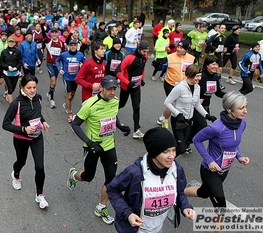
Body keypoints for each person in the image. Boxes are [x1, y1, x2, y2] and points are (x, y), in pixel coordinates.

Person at [67, 75, 131, 225]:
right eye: (109, 89)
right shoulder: (90, 104)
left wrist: (121, 126)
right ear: (101, 88)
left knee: (111, 179)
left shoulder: (115, 101)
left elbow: (113, 116)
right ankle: (73, 176)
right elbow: (75, 124)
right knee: (88, 176)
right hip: (93, 147)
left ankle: (101, 207)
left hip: (109, 145)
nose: (113, 92)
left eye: (115, 89)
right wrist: (89, 143)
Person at [107, 127, 195, 233]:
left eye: (174, 150)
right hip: (134, 229)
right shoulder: (135, 172)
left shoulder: (177, 169)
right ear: (154, 152)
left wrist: (185, 206)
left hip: (157, 229)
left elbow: (180, 192)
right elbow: (112, 189)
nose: (172, 156)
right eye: (166, 152)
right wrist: (128, 214)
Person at [185, 92, 249, 215]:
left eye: (246, 107)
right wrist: (210, 161)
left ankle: (177, 195)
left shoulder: (242, 124)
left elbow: (234, 144)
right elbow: (196, 140)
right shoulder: (216, 128)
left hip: (224, 169)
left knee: (203, 193)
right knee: (220, 206)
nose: (245, 111)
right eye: (241, 108)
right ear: (229, 109)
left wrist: (240, 156)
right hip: (210, 171)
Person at [2, 75, 50, 209]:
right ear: (22, 87)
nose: (32, 90)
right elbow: (5, 124)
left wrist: (43, 121)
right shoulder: (16, 103)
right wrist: (23, 129)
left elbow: (37, 114)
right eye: (29, 88)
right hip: (21, 139)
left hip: (37, 137)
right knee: (21, 162)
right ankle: (16, 175)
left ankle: (40, 195)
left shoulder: (38, 98)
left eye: (34, 87)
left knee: (39, 166)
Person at [164, 64, 216, 155]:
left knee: (180, 145)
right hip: (178, 121)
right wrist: (178, 114)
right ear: (190, 74)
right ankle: (162, 162)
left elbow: (196, 104)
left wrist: (206, 115)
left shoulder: (197, 87)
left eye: (200, 76)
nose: (199, 78)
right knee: (181, 149)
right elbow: (167, 102)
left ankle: (166, 158)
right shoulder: (180, 87)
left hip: (188, 120)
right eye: (197, 76)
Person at [187, 55, 226, 152]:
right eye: (213, 64)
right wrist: (196, 97)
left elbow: (218, 92)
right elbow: (190, 86)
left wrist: (229, 95)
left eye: (217, 64)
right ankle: (184, 141)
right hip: (195, 104)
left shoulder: (216, 77)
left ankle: (186, 141)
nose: (215, 66)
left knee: (198, 126)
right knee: (201, 126)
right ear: (207, 65)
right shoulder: (201, 76)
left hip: (205, 106)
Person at [156, 40, 195, 129]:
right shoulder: (170, 57)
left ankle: (162, 117)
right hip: (170, 83)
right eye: (178, 47)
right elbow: (161, 66)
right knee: (172, 103)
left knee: (180, 103)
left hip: (184, 85)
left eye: (181, 48)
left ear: (186, 49)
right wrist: (158, 65)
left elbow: (195, 70)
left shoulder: (192, 58)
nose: (178, 49)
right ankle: (165, 121)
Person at [115, 40, 149, 139]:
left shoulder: (145, 57)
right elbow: (117, 72)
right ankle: (110, 113)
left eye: (147, 52)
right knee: (122, 104)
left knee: (136, 107)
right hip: (126, 86)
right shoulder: (130, 58)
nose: (146, 54)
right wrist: (127, 83)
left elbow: (142, 69)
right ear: (139, 50)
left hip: (136, 86)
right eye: (144, 52)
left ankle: (136, 130)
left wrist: (142, 79)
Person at [56, 39, 86, 122]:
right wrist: (60, 69)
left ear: (77, 46)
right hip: (67, 77)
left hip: (76, 78)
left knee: (72, 94)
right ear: (69, 46)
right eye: (71, 45)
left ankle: (67, 104)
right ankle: (69, 113)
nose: (73, 47)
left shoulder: (80, 54)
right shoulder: (64, 54)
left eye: (74, 45)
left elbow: (85, 64)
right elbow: (57, 60)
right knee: (68, 95)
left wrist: (82, 65)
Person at [43, 27, 66, 109]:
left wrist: (64, 65)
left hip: (58, 65)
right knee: (53, 81)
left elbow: (63, 54)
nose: (54, 34)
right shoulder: (48, 41)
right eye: (52, 33)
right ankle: (52, 100)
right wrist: (42, 25)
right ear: (50, 34)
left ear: (58, 33)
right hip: (50, 64)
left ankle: (50, 92)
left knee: (54, 82)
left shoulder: (61, 43)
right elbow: (43, 35)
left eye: (55, 32)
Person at [0, 37, 22, 103]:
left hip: (15, 73)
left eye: (12, 42)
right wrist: (8, 67)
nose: (11, 43)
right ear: (7, 43)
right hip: (7, 73)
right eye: (10, 42)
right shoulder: (4, 52)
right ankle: (11, 105)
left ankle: (7, 94)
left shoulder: (17, 51)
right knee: (10, 88)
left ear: (15, 43)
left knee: (13, 88)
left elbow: (20, 62)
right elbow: (1, 62)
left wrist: (15, 68)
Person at [205, 24, 226, 90]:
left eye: (224, 28)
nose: (223, 29)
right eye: (222, 28)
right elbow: (208, 42)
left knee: (220, 69)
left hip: (220, 55)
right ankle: (207, 81)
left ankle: (218, 84)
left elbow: (222, 46)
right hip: (213, 55)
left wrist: (224, 49)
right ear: (219, 29)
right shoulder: (215, 36)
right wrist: (214, 49)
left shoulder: (224, 37)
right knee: (211, 69)